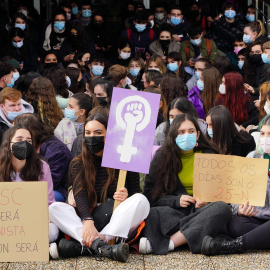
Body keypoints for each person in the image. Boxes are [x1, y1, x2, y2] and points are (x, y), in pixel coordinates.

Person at [49, 113, 149, 261]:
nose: (92, 137)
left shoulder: (125, 160)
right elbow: (80, 194)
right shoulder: (78, 163)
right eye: (88, 133)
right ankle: (103, 247)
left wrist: (126, 197)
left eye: (98, 132)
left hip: (116, 220)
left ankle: (94, 243)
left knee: (141, 200)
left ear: (109, 134)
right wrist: (87, 220)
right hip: (88, 219)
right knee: (54, 208)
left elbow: (136, 193)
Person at [140, 113, 232, 255]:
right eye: (181, 132)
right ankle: (196, 232)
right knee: (153, 214)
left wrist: (208, 201)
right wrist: (175, 200)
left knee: (222, 209)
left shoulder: (210, 155)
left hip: (201, 210)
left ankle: (171, 243)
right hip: (173, 211)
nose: (186, 135)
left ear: (198, 134)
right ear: (173, 134)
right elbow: (149, 193)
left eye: (191, 131)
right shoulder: (162, 156)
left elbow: (223, 190)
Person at [201, 114, 270, 255]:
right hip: (256, 220)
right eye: (262, 134)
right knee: (235, 226)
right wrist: (239, 211)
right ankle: (259, 238)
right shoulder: (253, 157)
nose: (265, 139)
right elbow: (240, 194)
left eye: (269, 134)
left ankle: (233, 245)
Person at [0, 124, 58, 243]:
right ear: (8, 143)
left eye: (29, 141)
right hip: (6, 223)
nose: (24, 143)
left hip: (33, 220)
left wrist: (44, 216)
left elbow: (49, 202)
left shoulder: (42, 167)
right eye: (19, 139)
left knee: (52, 231)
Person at [14, 113, 73, 202]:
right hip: (27, 187)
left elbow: (53, 182)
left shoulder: (58, 151)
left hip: (57, 190)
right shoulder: (25, 146)